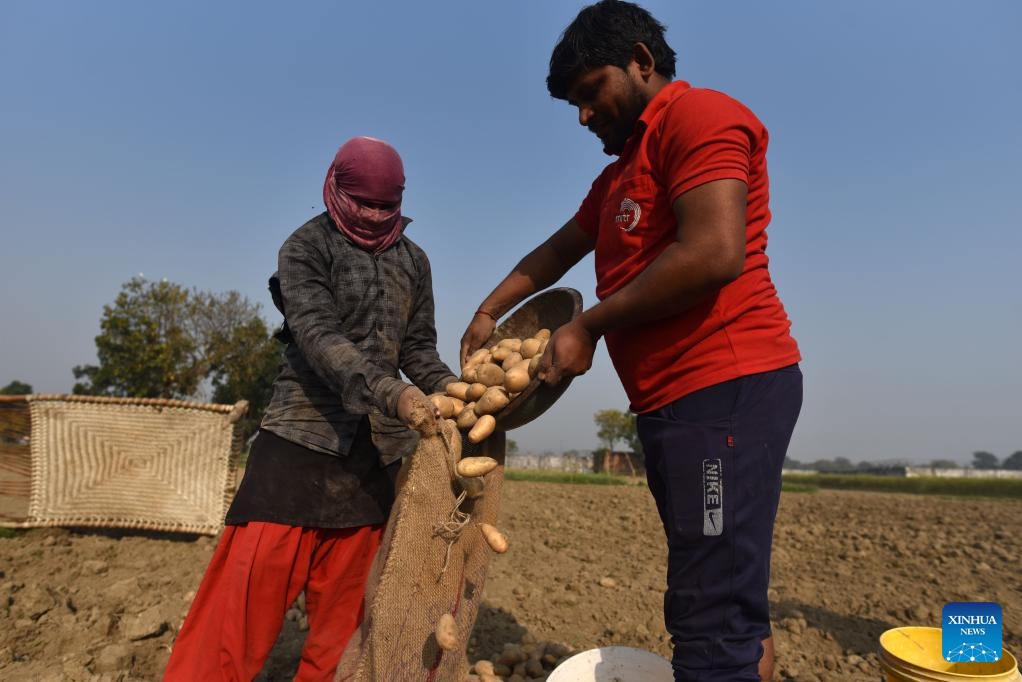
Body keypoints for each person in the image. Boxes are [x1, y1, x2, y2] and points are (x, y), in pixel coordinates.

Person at [460, 2, 802, 680]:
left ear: (642, 62)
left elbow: (713, 252)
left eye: (592, 93)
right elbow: (563, 245)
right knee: (727, 594)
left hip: (723, 391)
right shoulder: (621, 172)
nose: (584, 116)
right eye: (574, 105)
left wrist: (587, 325)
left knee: (710, 615)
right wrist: (489, 309)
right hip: (677, 405)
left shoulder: (700, 119)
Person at [164, 136, 456, 681]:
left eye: (384, 207)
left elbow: (417, 349)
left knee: (346, 627)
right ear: (335, 189)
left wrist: (455, 393)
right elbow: (320, 339)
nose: (372, 216)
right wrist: (395, 394)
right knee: (238, 617)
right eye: (361, 203)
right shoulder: (305, 248)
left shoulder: (414, 261)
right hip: (300, 442)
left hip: (372, 459)